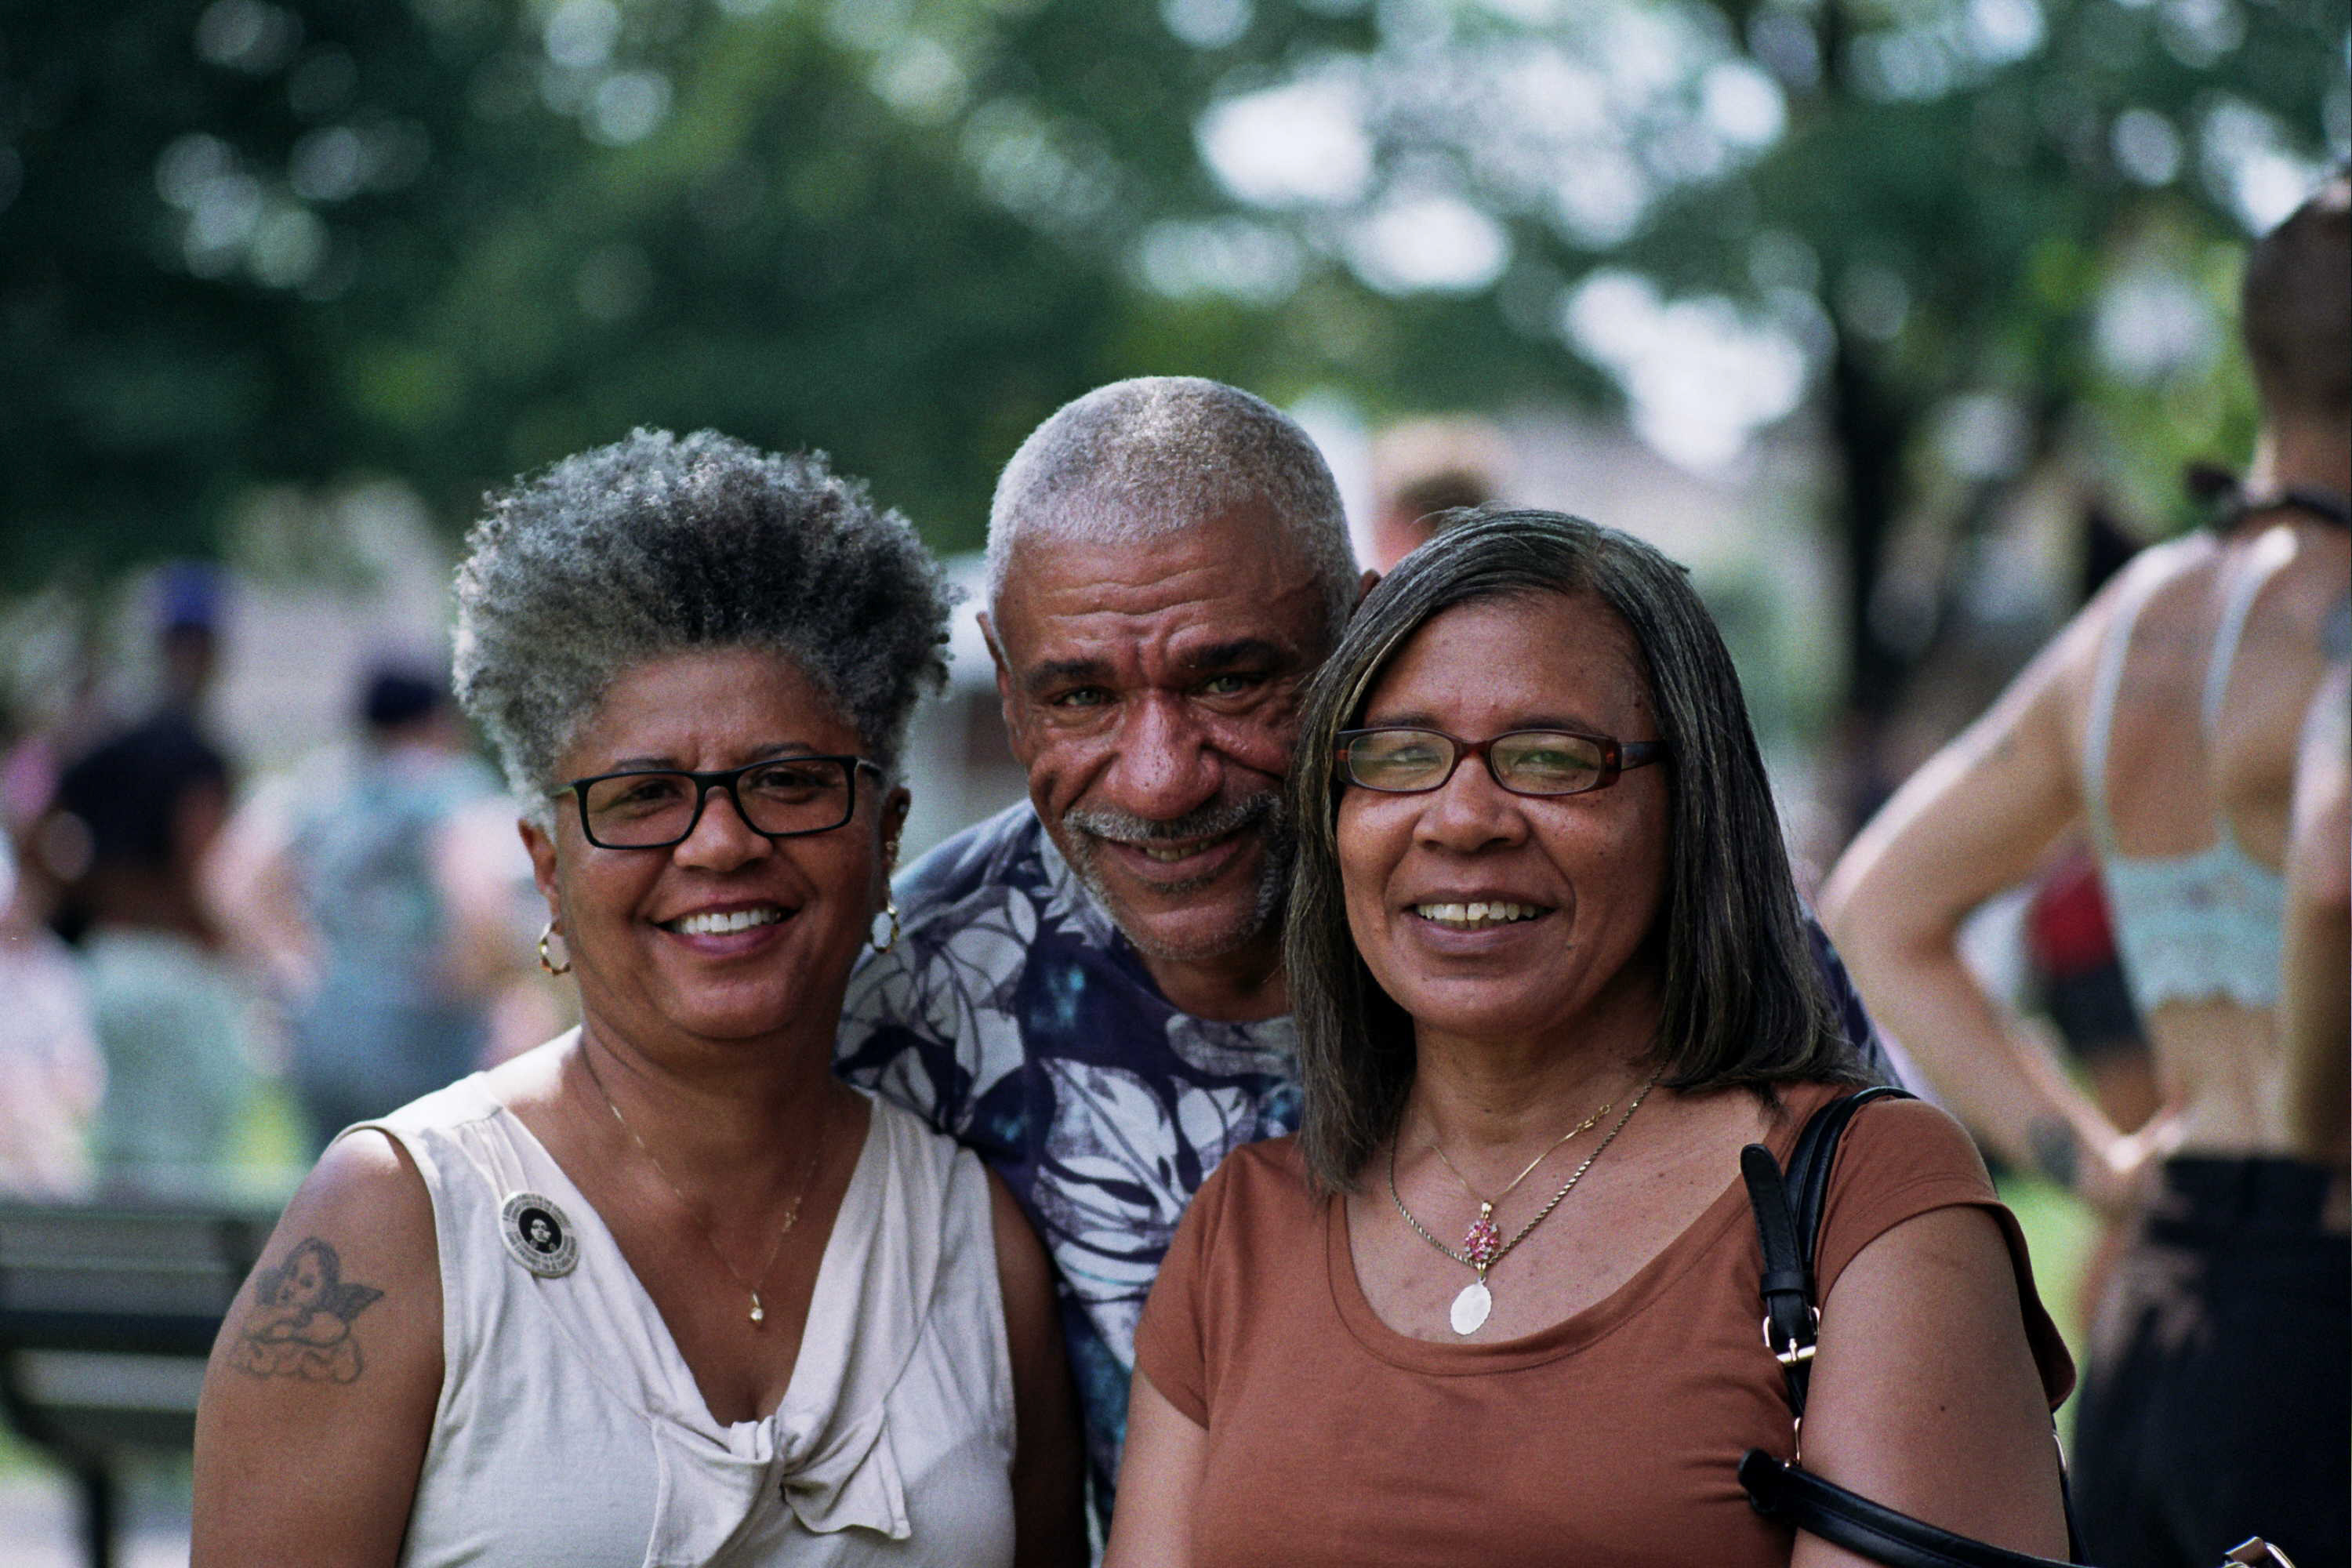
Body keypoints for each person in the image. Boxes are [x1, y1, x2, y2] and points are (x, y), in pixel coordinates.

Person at [837, 376, 1901, 1524]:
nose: (1158, 776)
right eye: (1080, 696)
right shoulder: (917, 993)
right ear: (1004, 675)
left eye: (1231, 680)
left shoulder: (1630, 932)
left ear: (1360, 629)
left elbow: (1904, 1357)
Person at [1106, 510, 2071, 1566]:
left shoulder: (1863, 1199)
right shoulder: (1243, 1232)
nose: (1463, 817)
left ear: (1690, 807)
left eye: (1550, 758)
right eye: (1400, 756)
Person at [193, 430, 1084, 1568]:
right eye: (645, 794)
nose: (721, 842)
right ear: (550, 865)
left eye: (788, 783)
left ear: (887, 835)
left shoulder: (975, 1244)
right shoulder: (400, 1225)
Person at [1823, 177, 2350, 1567]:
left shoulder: (2131, 621)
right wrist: (2310, 1136)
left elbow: (1880, 906)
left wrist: (2094, 1164)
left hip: (2164, 1295)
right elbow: (2338, 869)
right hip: (2327, 1305)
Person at [210, 660, 528, 1150]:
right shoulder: (447, 786)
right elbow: (478, 902)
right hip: (424, 1040)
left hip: (327, 1033)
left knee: (331, 1190)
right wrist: (478, 982)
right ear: (437, 720)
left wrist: (289, 967)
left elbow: (231, 878)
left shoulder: (320, 786)